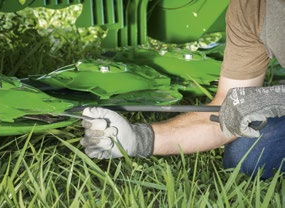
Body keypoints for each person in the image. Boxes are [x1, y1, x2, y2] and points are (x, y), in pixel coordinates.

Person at [80, 0, 285, 179]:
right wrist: (137, 139)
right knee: (248, 159)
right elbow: (224, 112)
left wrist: (278, 98)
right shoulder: (251, 8)